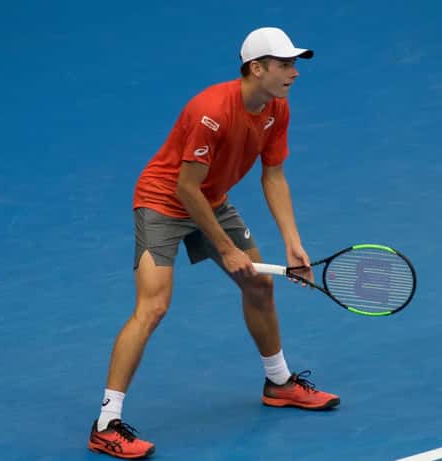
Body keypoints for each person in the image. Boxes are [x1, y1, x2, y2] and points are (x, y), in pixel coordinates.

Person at [88, 27, 340, 459]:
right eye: (284, 64)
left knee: (260, 286)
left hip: (212, 200)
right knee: (153, 307)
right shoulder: (211, 111)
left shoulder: (277, 109)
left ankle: (278, 383)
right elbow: (186, 189)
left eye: (295, 64)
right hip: (162, 204)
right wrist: (226, 248)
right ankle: (106, 423)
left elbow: (274, 175)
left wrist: (293, 242)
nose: (294, 73)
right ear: (256, 68)